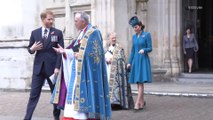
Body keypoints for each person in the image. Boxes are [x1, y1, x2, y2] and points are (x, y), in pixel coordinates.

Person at [51, 12, 111, 120]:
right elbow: (74, 49)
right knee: (73, 94)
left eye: (76, 21)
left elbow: (94, 54)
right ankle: (73, 116)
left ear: (83, 21)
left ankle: (83, 116)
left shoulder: (93, 32)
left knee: (80, 94)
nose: (74, 23)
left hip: (86, 72)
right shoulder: (80, 34)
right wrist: (64, 51)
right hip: (76, 70)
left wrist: (75, 54)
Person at [24, 10, 64, 120]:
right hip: (38, 69)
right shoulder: (35, 33)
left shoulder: (58, 33)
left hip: (52, 69)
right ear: (43, 19)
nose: (51, 21)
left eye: (52, 19)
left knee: (55, 95)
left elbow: (60, 52)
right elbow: (30, 48)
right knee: (33, 95)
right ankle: (27, 118)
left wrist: (57, 67)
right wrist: (32, 49)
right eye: (49, 19)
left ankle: (56, 117)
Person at [127, 16, 152, 111]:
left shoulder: (146, 35)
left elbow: (150, 48)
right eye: (133, 27)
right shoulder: (133, 37)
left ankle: (137, 103)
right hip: (136, 61)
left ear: (140, 26)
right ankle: (142, 102)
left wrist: (144, 50)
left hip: (143, 60)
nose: (135, 29)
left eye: (136, 27)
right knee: (138, 82)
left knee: (141, 82)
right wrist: (129, 62)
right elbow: (133, 51)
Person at [105, 32, 134, 110]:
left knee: (116, 88)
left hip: (117, 73)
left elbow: (122, 59)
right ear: (109, 39)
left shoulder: (119, 48)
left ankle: (117, 104)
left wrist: (114, 60)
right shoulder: (106, 48)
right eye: (112, 38)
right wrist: (106, 60)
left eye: (115, 38)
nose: (114, 39)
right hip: (108, 70)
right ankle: (110, 103)